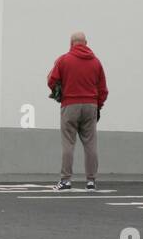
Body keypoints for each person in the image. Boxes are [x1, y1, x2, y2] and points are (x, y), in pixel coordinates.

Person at [46, 31, 109, 191]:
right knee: (90, 144)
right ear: (86, 43)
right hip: (90, 106)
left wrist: (59, 91)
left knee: (68, 143)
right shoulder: (96, 62)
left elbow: (52, 80)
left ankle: (66, 180)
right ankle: (91, 181)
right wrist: (98, 106)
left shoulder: (64, 60)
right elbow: (103, 89)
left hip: (70, 105)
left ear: (71, 43)